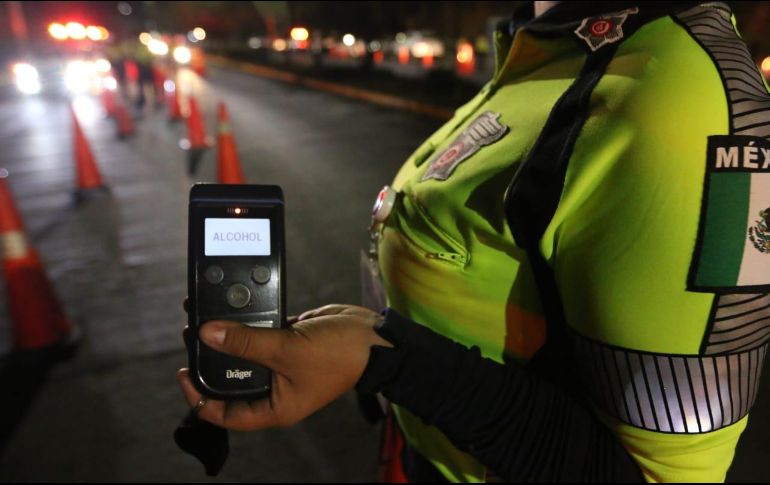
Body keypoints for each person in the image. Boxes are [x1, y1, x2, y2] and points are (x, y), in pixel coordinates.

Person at [178, 1, 770, 482]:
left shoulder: (671, 102)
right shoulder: (549, 48)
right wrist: (365, 354)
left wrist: (382, 359)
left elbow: (656, 478)